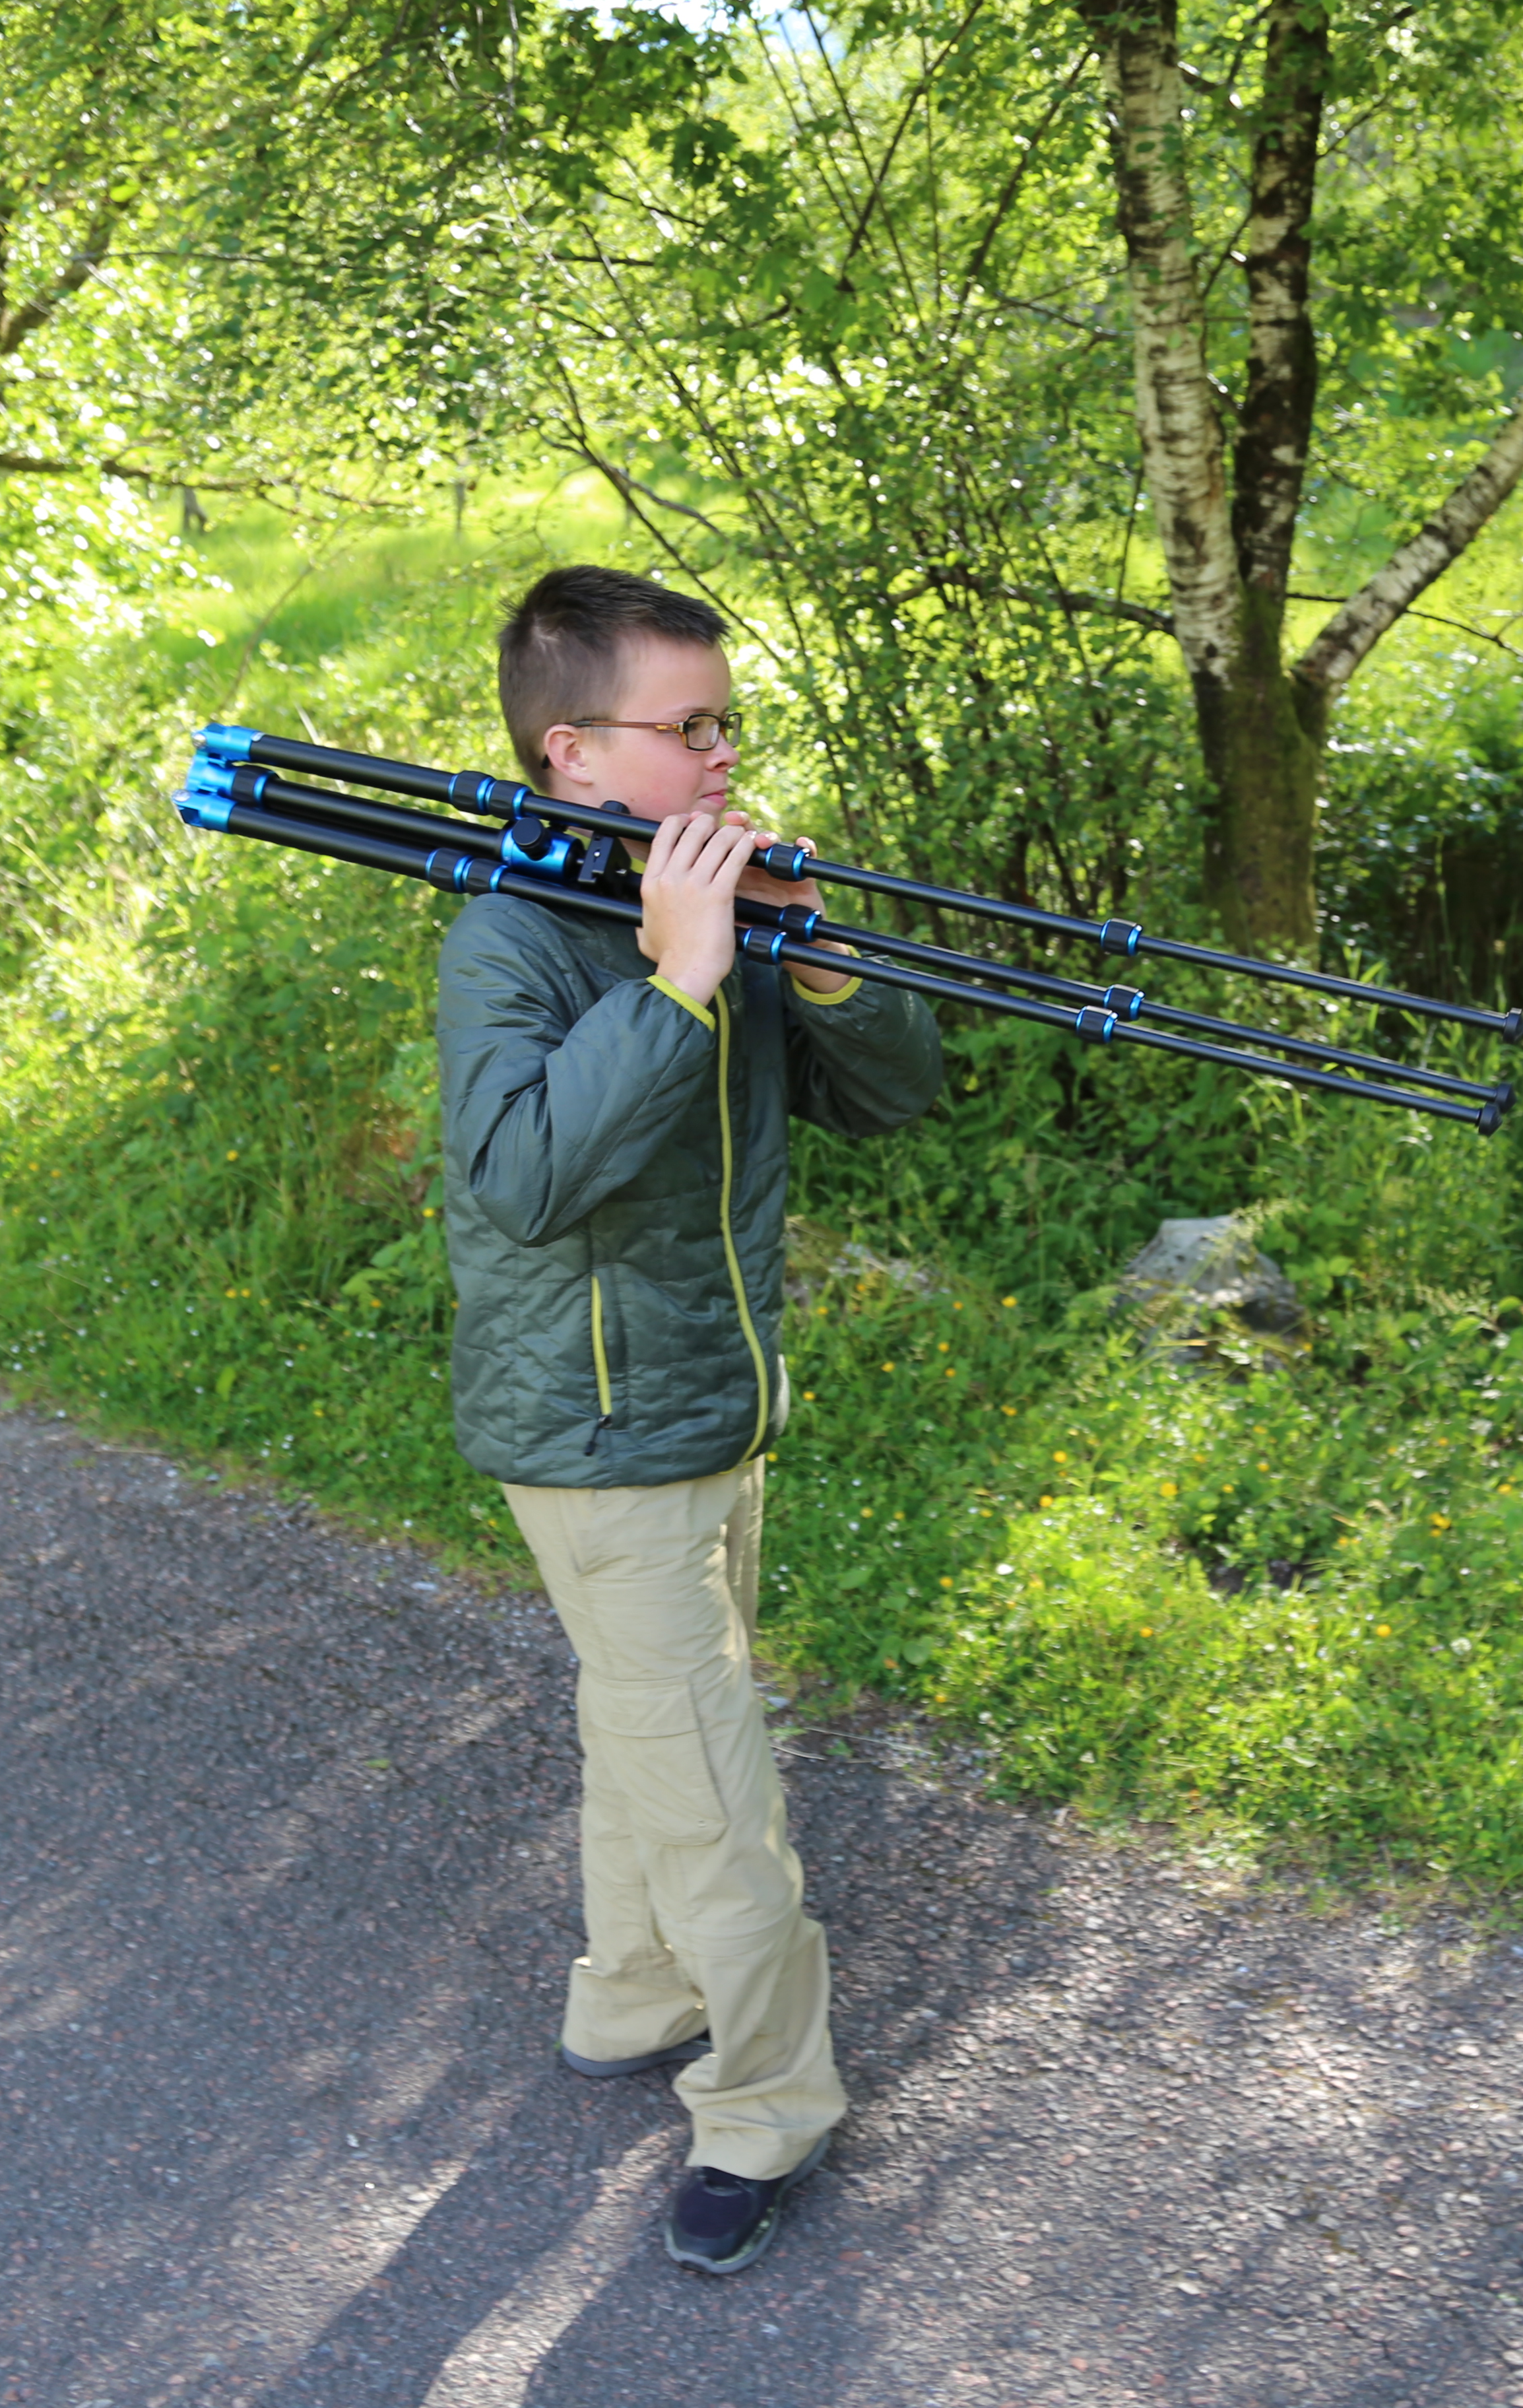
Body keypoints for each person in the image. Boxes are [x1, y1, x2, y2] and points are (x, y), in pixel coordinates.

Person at [434, 564, 944, 2275]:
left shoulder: (714, 894)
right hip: (594, 1445)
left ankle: (630, 1992)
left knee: (638, 1731)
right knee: (720, 1794)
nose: (724, 756)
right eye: (691, 727)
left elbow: (897, 1100)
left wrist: (814, 958)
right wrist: (675, 984)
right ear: (573, 750)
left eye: (730, 723)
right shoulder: (505, 939)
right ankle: (768, 2109)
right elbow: (522, 1182)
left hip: (721, 1409)